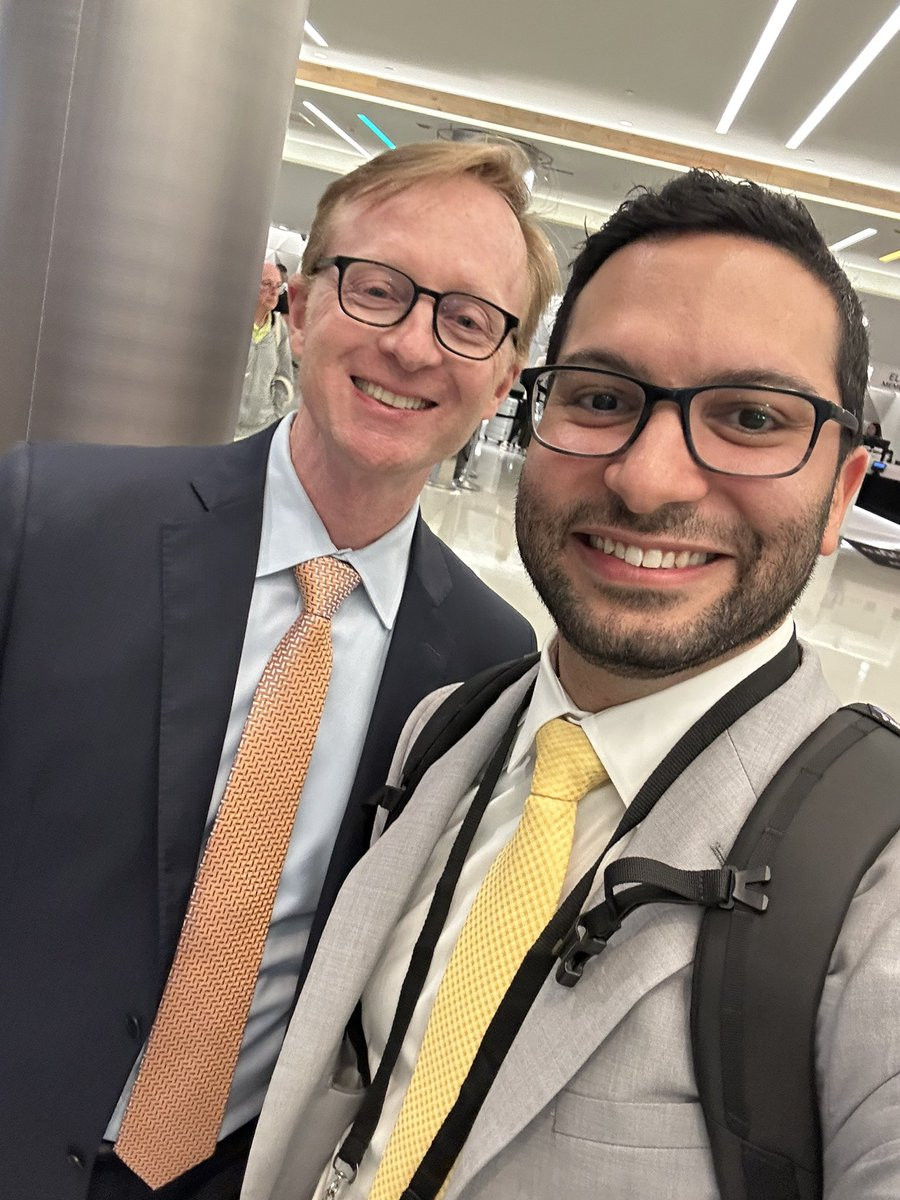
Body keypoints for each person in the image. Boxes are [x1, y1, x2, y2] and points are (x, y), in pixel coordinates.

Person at [242, 171, 900, 1200]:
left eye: (750, 417)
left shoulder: (874, 878)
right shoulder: (447, 732)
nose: (648, 479)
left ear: (841, 493)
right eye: (601, 398)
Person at [0, 140, 559, 1200]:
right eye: (378, 288)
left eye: (467, 319)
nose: (412, 345)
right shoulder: (55, 522)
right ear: (298, 310)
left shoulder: (490, 663)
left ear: (503, 378)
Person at [234, 261, 295, 440]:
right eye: (267, 284)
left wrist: (275, 413)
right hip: (225, 429)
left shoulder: (278, 328)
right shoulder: (233, 322)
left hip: (260, 429)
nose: (274, 292)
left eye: (278, 286)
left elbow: (285, 375)